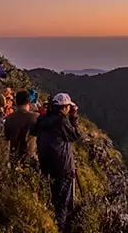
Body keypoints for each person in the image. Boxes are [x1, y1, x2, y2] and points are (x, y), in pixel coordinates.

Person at [30, 93, 81, 232]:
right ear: (64, 108)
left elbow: (33, 131)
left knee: (51, 196)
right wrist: (74, 117)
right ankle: (60, 227)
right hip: (63, 167)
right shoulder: (62, 121)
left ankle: (50, 223)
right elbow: (76, 135)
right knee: (63, 203)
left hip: (45, 164)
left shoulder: (42, 118)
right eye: (69, 107)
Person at [4, 91, 39, 165]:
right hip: (30, 159)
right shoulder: (36, 118)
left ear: (16, 102)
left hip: (13, 158)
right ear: (29, 102)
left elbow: (6, 137)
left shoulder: (9, 118)